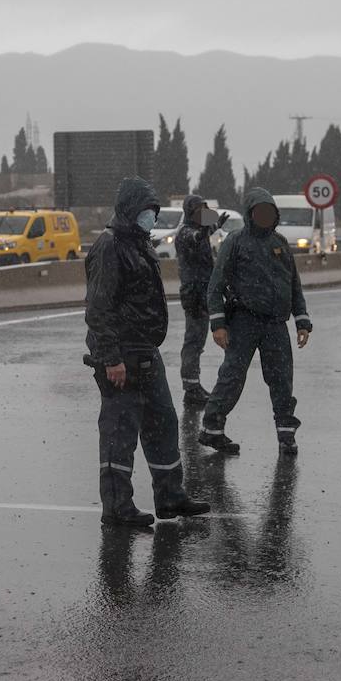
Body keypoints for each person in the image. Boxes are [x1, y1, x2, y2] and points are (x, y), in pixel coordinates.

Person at [85, 176, 211, 528]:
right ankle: (117, 508)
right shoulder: (110, 247)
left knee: (163, 422)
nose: (150, 217)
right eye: (145, 211)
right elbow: (98, 309)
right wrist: (111, 358)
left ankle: (171, 496)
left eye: (152, 211)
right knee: (120, 432)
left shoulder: (141, 244)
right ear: (129, 210)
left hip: (146, 352)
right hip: (121, 356)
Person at [199, 187, 312, 457]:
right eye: (259, 211)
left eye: (269, 212)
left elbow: (293, 284)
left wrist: (302, 320)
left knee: (282, 380)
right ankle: (212, 430)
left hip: (275, 325)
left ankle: (286, 435)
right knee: (232, 377)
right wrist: (218, 325)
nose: (264, 216)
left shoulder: (280, 243)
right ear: (251, 214)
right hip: (243, 322)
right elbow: (215, 286)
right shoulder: (235, 242)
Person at [175, 194, 228, 408]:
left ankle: (193, 386)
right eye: (199, 210)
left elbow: (203, 232)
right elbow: (194, 237)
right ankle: (191, 387)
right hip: (194, 294)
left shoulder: (200, 230)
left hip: (204, 291)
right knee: (193, 342)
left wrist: (215, 225)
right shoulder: (186, 233)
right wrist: (209, 228)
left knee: (198, 341)